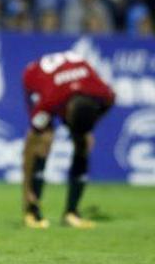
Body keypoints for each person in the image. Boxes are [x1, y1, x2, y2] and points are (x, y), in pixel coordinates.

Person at [21, 51, 115, 230]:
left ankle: (71, 213)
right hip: (35, 77)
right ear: (66, 113)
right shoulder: (48, 101)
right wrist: (26, 190)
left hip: (71, 83)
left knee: (84, 142)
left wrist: (87, 128)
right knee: (43, 141)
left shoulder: (103, 93)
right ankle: (32, 210)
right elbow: (30, 143)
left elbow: (108, 103)